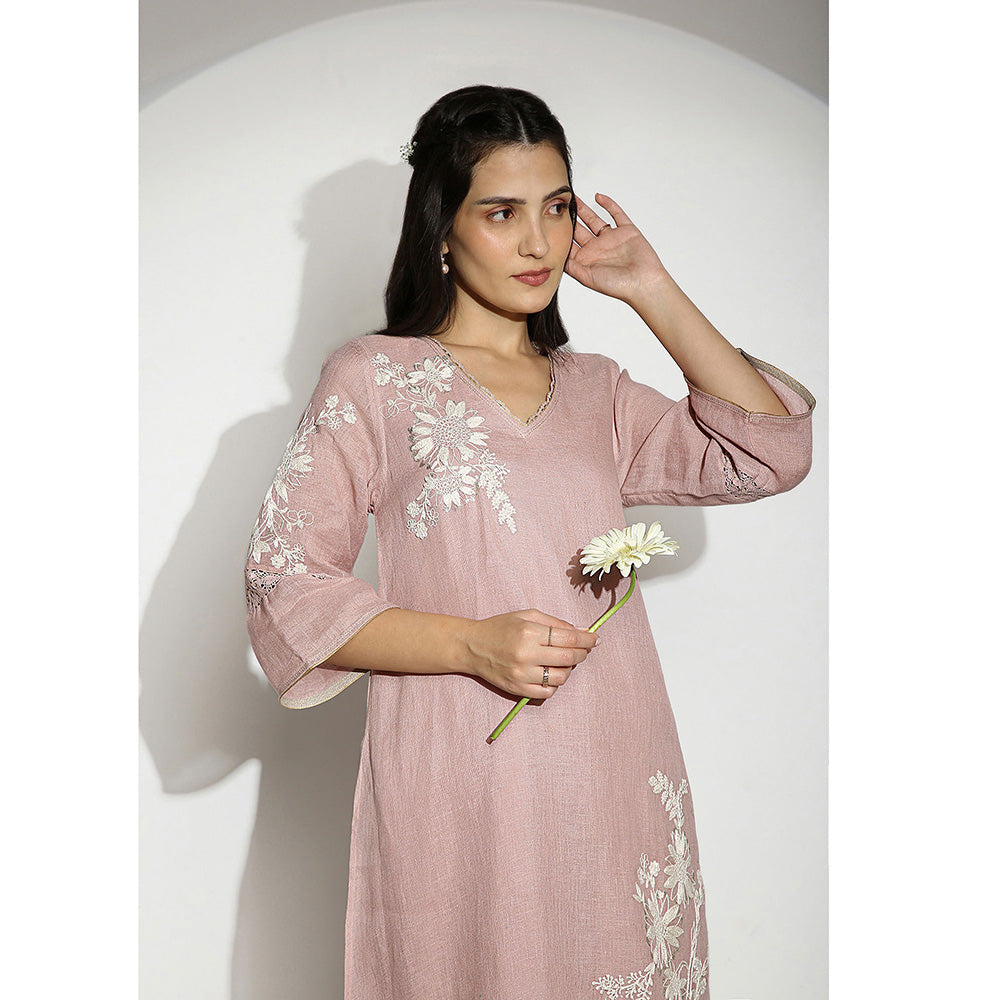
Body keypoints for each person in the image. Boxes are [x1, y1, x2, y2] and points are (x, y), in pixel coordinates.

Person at [244, 84, 815, 999]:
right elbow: (286, 580)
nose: (539, 242)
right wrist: (470, 644)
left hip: (613, 765)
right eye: (501, 212)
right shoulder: (375, 380)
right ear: (442, 227)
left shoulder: (597, 391)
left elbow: (769, 451)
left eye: (555, 208)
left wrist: (650, 289)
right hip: (466, 775)